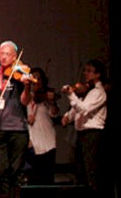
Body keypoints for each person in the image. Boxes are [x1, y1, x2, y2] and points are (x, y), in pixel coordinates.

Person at [0, 41, 33, 198]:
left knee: (16, 172)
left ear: (15, 57)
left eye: (7, 54)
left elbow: (25, 101)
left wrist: (26, 86)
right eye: (1, 53)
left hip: (18, 129)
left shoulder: (21, 74)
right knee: (0, 171)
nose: (3, 57)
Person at [61, 59, 108, 197]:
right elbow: (77, 108)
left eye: (89, 71)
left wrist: (71, 94)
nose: (85, 73)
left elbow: (84, 109)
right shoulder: (88, 92)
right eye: (85, 70)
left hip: (92, 135)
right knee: (81, 171)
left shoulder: (99, 92)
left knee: (91, 172)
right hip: (82, 135)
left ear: (98, 74)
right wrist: (68, 116)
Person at [24, 67, 59, 186]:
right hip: (33, 143)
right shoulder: (26, 97)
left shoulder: (45, 97)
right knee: (34, 179)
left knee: (47, 179)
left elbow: (54, 113)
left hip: (47, 141)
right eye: (34, 78)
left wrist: (52, 101)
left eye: (39, 79)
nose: (37, 81)